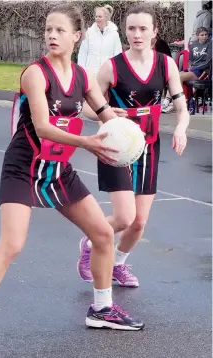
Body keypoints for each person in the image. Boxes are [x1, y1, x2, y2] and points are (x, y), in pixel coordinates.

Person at [0, 4, 145, 354]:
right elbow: (42, 127)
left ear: (76, 36)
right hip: (24, 166)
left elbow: (104, 114)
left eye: (59, 30)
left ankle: (102, 308)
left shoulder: (83, 77)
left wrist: (122, 132)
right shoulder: (35, 74)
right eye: (48, 30)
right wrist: (87, 142)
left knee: (102, 233)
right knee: (11, 245)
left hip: (58, 171)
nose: (52, 35)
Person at [77, 3, 189, 288]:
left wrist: (181, 127)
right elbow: (85, 107)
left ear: (154, 31)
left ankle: (118, 264)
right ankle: (90, 243)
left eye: (143, 28)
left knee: (139, 222)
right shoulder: (112, 67)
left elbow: (180, 103)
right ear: (124, 31)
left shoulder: (166, 64)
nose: (137, 34)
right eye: (131, 28)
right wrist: (105, 113)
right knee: (125, 217)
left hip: (148, 147)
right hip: (115, 148)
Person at [162, 26, 212, 113]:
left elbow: (208, 61)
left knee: (180, 77)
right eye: (202, 35)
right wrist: (190, 67)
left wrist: (194, 68)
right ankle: (170, 101)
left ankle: (180, 103)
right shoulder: (194, 45)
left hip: (202, 70)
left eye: (206, 34)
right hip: (193, 68)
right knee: (174, 76)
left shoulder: (210, 44)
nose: (204, 36)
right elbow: (191, 60)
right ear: (197, 36)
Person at [77, 4, 122, 75]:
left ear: (106, 18)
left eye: (100, 17)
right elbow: (83, 53)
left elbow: (118, 55)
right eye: (96, 16)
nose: (97, 18)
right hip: (91, 73)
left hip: (107, 74)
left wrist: (115, 72)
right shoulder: (89, 33)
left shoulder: (114, 34)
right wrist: (82, 72)